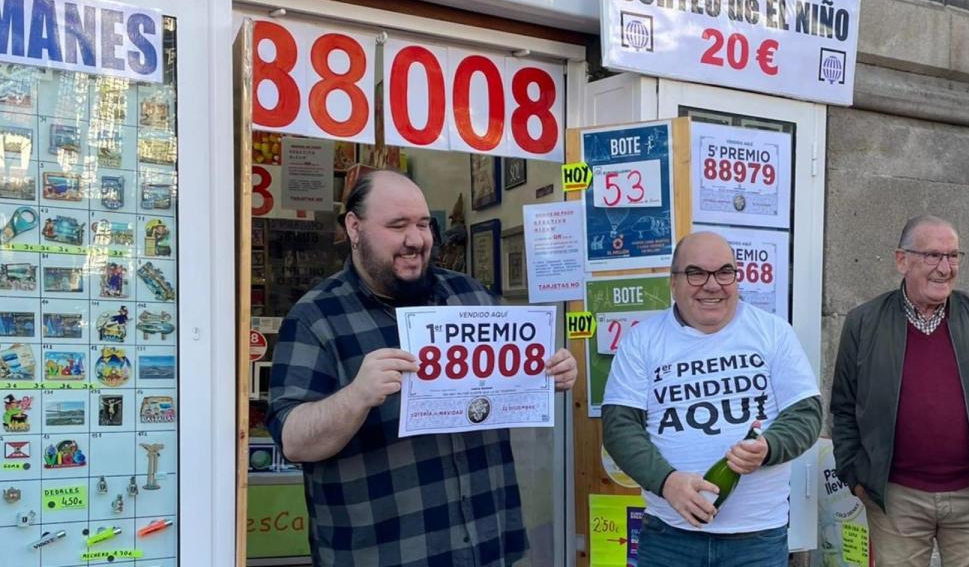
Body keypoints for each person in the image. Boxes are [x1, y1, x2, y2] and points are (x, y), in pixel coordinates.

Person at [266, 170, 577, 567]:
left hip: (487, 546)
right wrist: (357, 396)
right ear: (354, 228)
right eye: (398, 226)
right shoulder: (317, 318)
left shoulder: (471, 297)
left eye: (424, 224)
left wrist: (548, 373)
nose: (416, 240)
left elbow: (510, 385)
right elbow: (292, 440)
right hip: (384, 554)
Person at [602, 231, 822, 567]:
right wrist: (667, 482)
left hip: (757, 540)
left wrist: (769, 446)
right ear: (673, 283)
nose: (712, 285)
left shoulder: (773, 332)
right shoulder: (642, 341)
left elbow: (806, 414)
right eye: (696, 273)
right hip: (669, 537)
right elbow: (620, 427)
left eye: (724, 272)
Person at [830, 215, 969, 566]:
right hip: (896, 500)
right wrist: (857, 478)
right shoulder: (864, 322)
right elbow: (844, 407)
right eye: (933, 255)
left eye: (953, 256)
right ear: (902, 260)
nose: (945, 268)